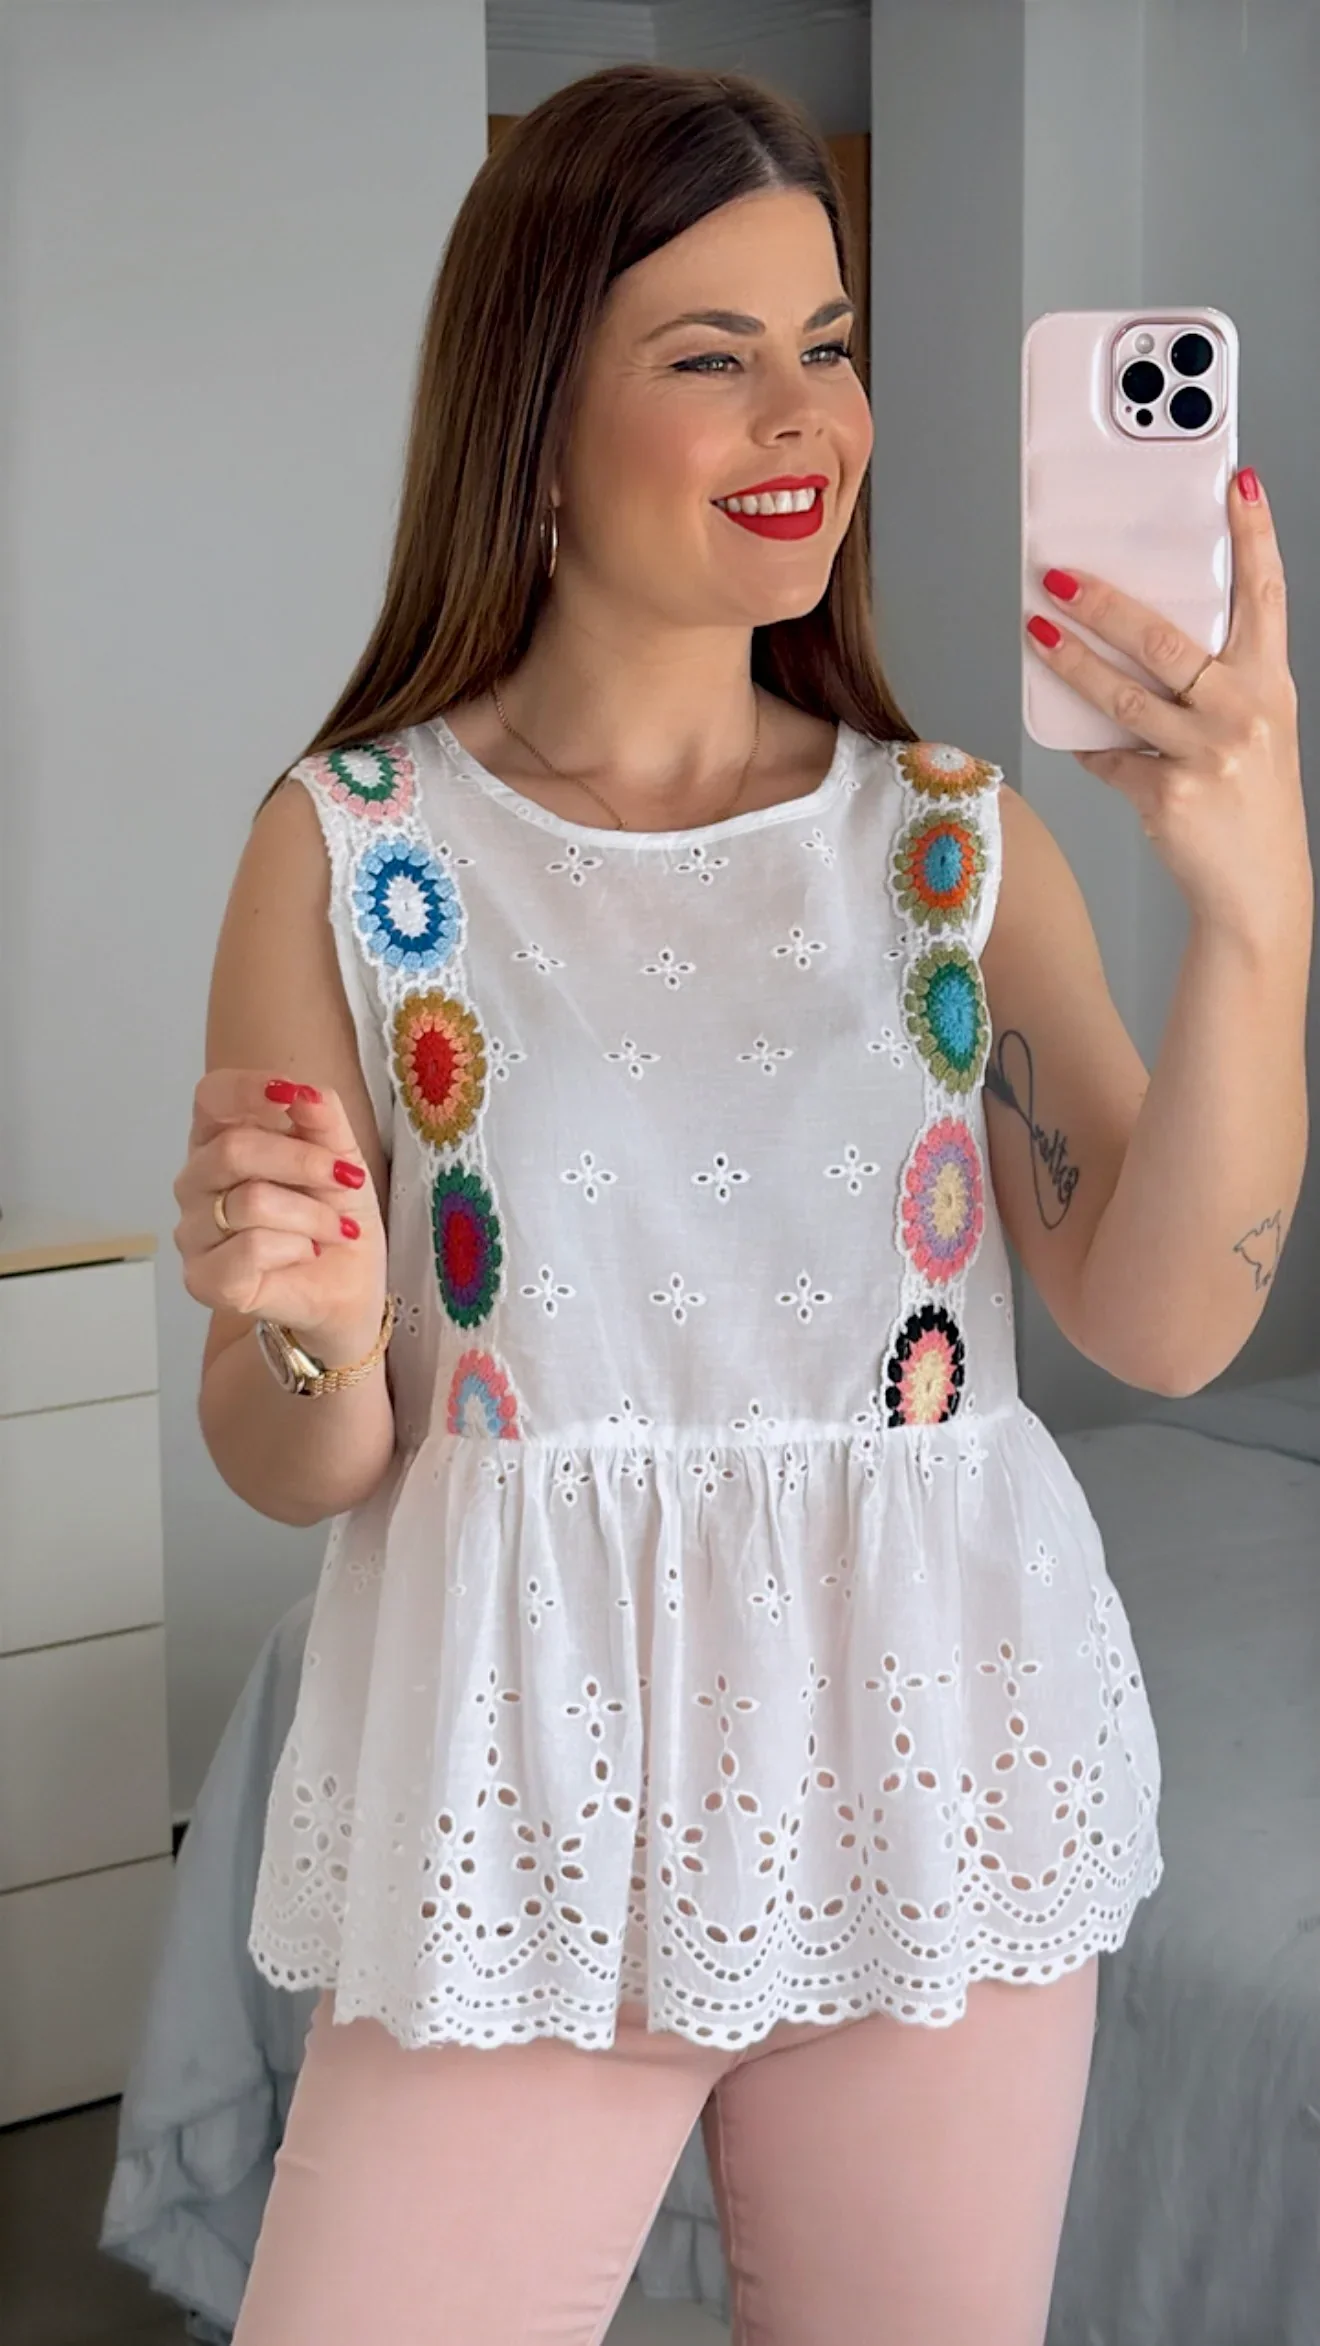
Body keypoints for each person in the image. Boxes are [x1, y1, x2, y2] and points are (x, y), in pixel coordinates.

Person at [170, 59, 1311, 2346]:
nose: (808, 415)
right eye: (712, 356)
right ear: (533, 418)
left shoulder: (952, 845)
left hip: (934, 1778)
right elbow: (306, 1450)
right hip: (523, 1814)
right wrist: (309, 1321)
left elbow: (1167, 1321)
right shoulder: (358, 847)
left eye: (832, 343)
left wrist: (1259, 912)